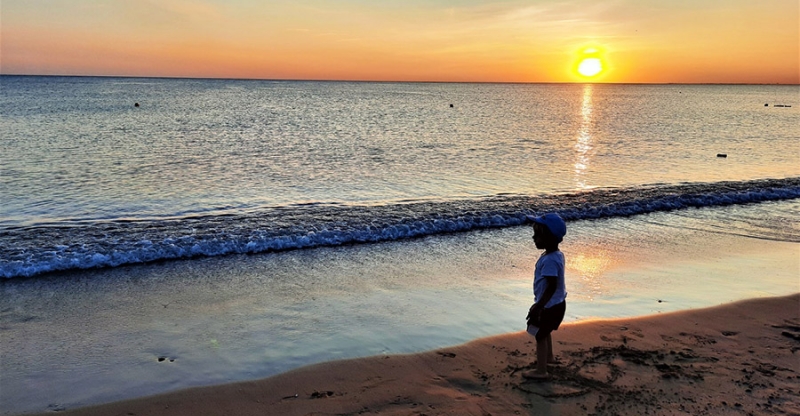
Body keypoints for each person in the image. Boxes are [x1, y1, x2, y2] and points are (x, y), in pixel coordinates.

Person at [523, 213, 567, 380]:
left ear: (548, 238)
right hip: (557, 303)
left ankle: (541, 371)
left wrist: (539, 306)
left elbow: (551, 285)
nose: (534, 238)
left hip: (549, 306)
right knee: (545, 331)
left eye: (537, 235)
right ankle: (549, 358)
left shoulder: (549, 260)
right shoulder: (556, 255)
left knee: (540, 334)